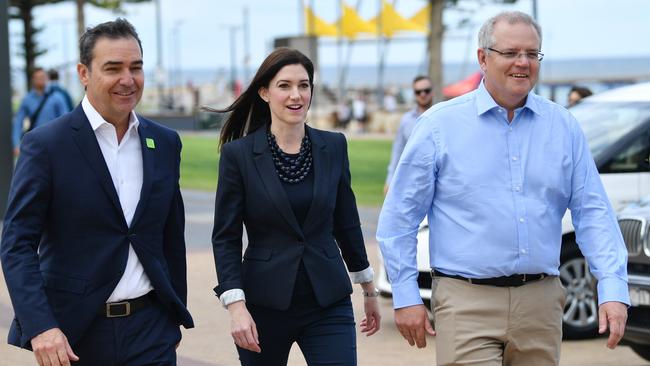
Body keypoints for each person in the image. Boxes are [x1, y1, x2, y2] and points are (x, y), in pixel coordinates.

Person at [376, 11, 628, 366]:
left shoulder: (563, 126)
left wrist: (613, 287)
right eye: (510, 53)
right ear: (483, 57)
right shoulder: (438, 126)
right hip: (466, 302)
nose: (522, 63)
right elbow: (399, 217)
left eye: (532, 54)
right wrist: (405, 296)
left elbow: (593, 211)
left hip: (542, 303)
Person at [1, 18, 193, 366]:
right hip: (75, 335)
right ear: (84, 73)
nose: (127, 79)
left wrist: (173, 312)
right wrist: (41, 327)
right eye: (113, 68)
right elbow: (17, 243)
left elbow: (170, 235)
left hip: (151, 330)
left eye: (136, 67)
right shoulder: (46, 145)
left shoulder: (164, 143)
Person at [210, 47, 381, 366]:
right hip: (263, 306)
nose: (296, 95)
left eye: (304, 85)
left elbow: (346, 222)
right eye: (284, 85)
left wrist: (368, 289)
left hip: (328, 301)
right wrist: (236, 306)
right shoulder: (239, 156)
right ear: (264, 92)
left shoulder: (334, 146)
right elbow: (226, 237)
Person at [384, 75, 433, 194]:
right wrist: (390, 179)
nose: (423, 94)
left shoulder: (442, 116)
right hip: (413, 182)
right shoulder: (406, 120)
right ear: (414, 94)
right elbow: (398, 150)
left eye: (426, 91)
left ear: (432, 92)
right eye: (418, 92)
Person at [11, 67, 69, 156]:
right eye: (38, 77)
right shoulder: (27, 99)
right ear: (33, 80)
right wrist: (16, 144)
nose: (41, 80)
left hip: (55, 143)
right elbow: (18, 122)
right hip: (35, 144)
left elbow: (66, 120)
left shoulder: (57, 97)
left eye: (42, 77)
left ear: (46, 78)